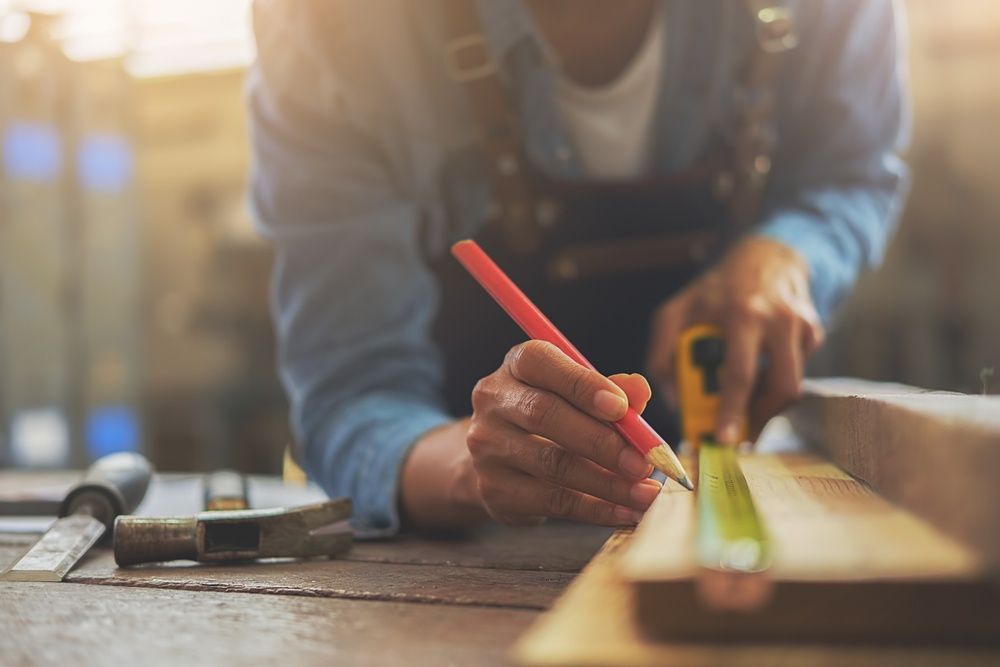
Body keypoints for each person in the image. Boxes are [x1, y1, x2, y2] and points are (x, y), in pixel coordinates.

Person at [249, 0, 909, 534]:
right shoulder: (325, 26)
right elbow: (351, 394)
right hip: (483, 561)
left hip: (748, 465)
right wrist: (468, 463)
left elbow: (848, 177)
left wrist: (788, 253)